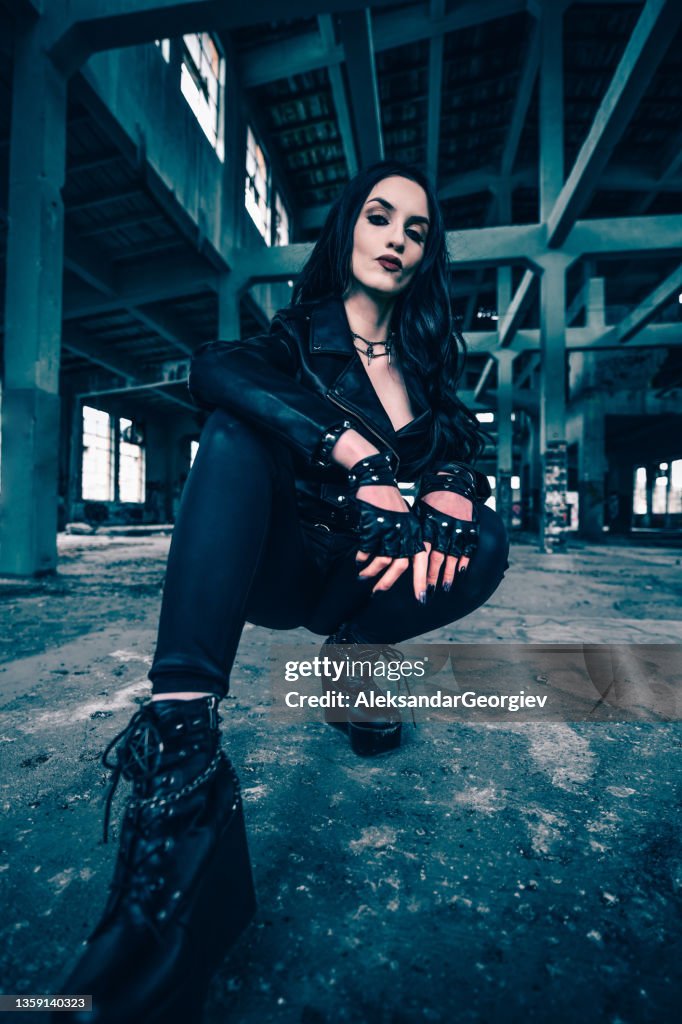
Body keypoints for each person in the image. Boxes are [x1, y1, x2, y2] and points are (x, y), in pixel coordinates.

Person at [57, 161, 509, 1023]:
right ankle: (182, 753)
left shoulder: (423, 354)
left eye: (417, 231)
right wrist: (358, 456)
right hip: (285, 562)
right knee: (231, 432)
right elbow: (214, 368)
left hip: (363, 581)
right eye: (381, 218)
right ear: (347, 233)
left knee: (483, 541)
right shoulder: (298, 336)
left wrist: (453, 481)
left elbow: (459, 430)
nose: (398, 241)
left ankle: (356, 660)